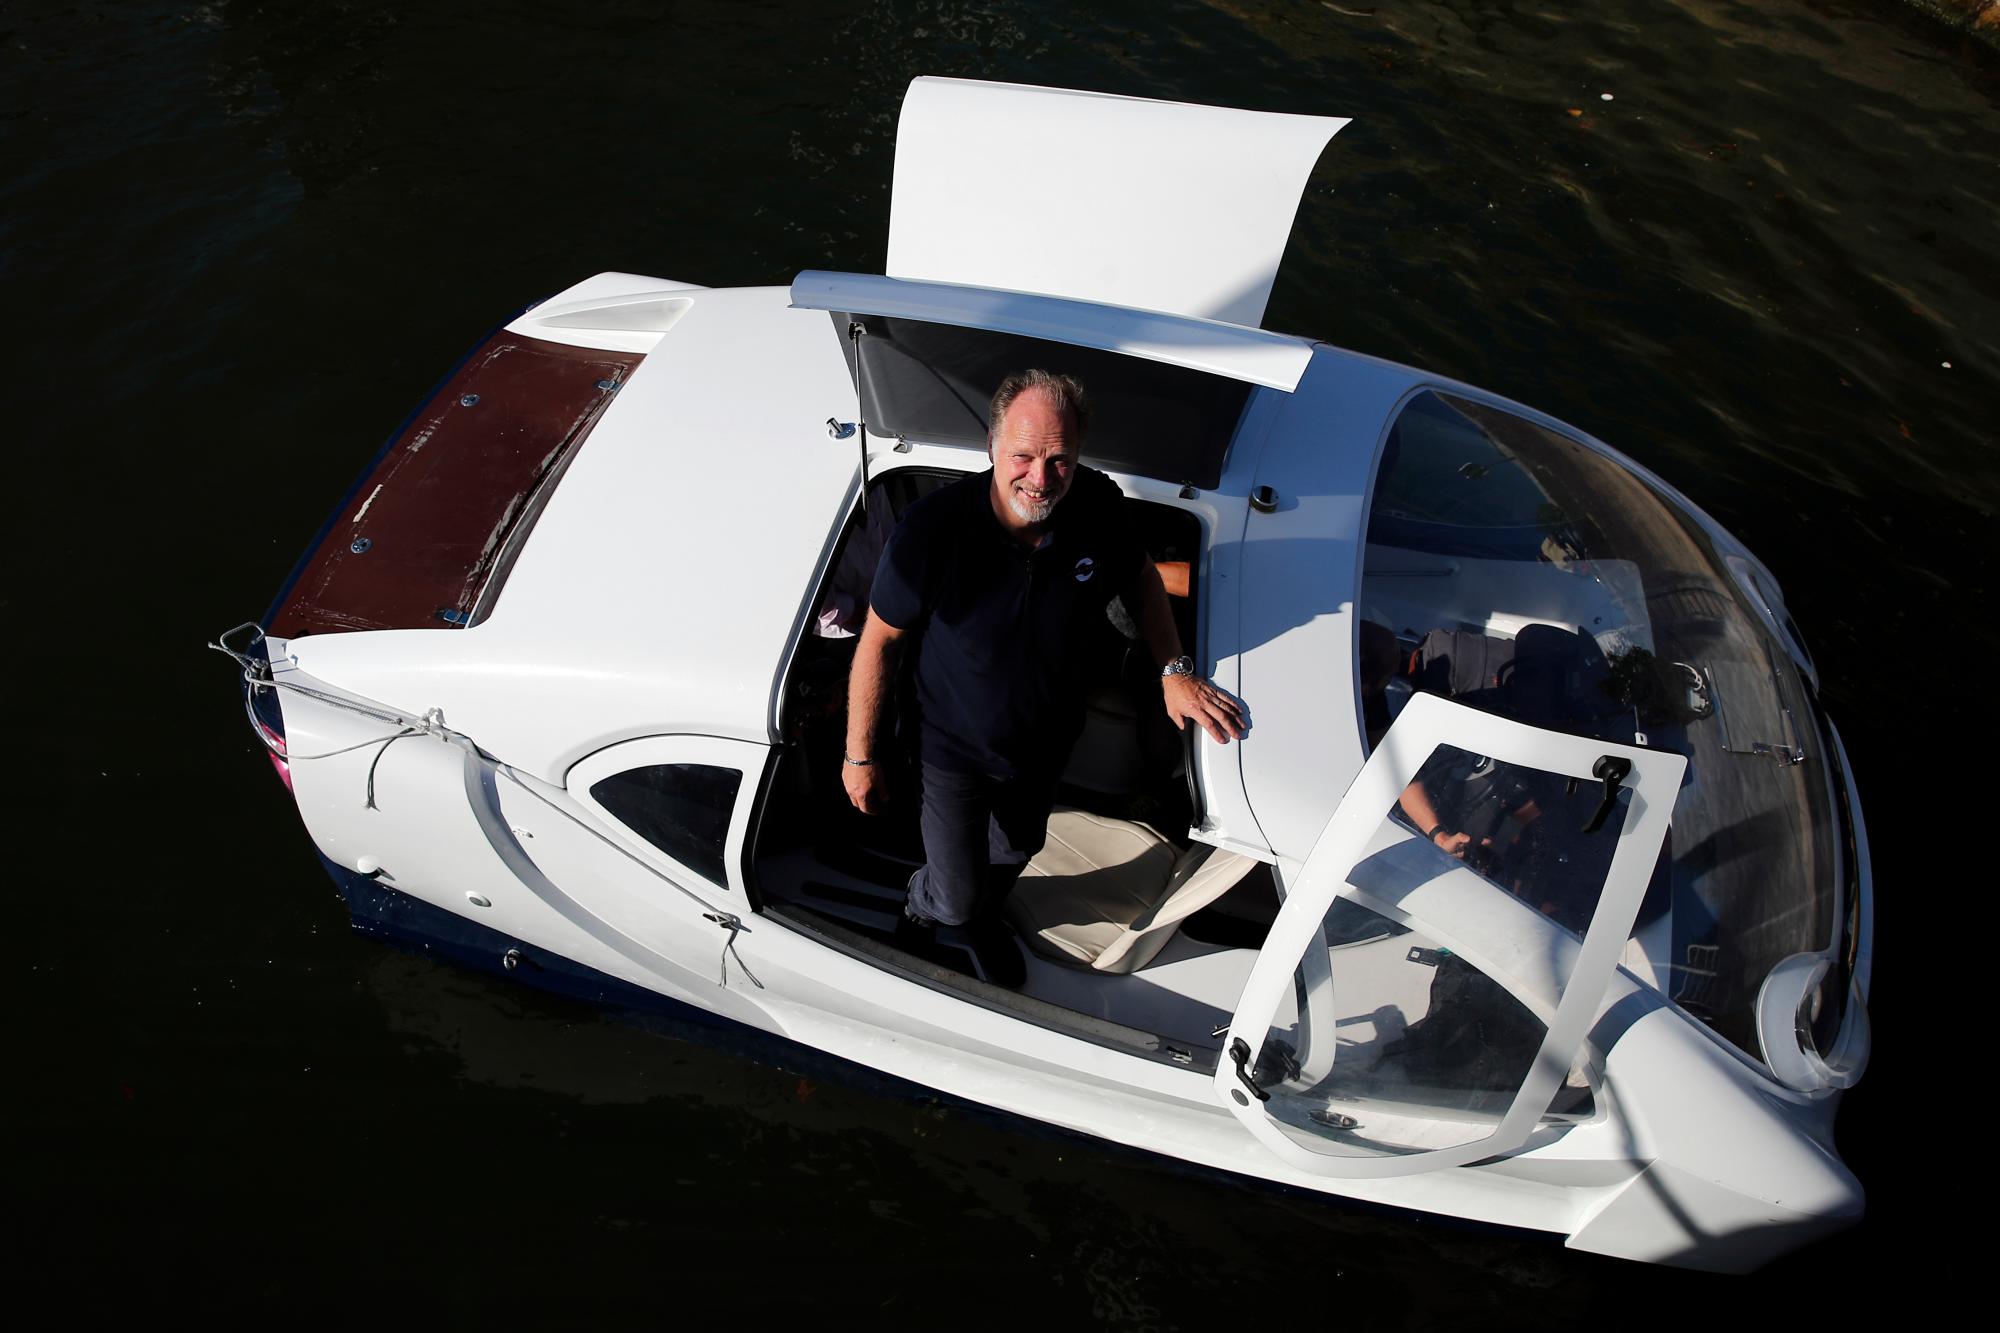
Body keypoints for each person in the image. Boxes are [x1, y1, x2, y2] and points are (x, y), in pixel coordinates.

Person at [841, 370, 1248, 986]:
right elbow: (879, 643)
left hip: (1045, 744)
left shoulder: (1098, 504)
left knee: (1016, 850)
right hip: (950, 750)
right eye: (1024, 456)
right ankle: (925, 907)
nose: (1041, 477)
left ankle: (978, 912)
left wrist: (1173, 671)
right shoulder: (931, 532)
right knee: (952, 893)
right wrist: (861, 756)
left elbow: (1140, 578)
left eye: (1060, 459)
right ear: (992, 447)